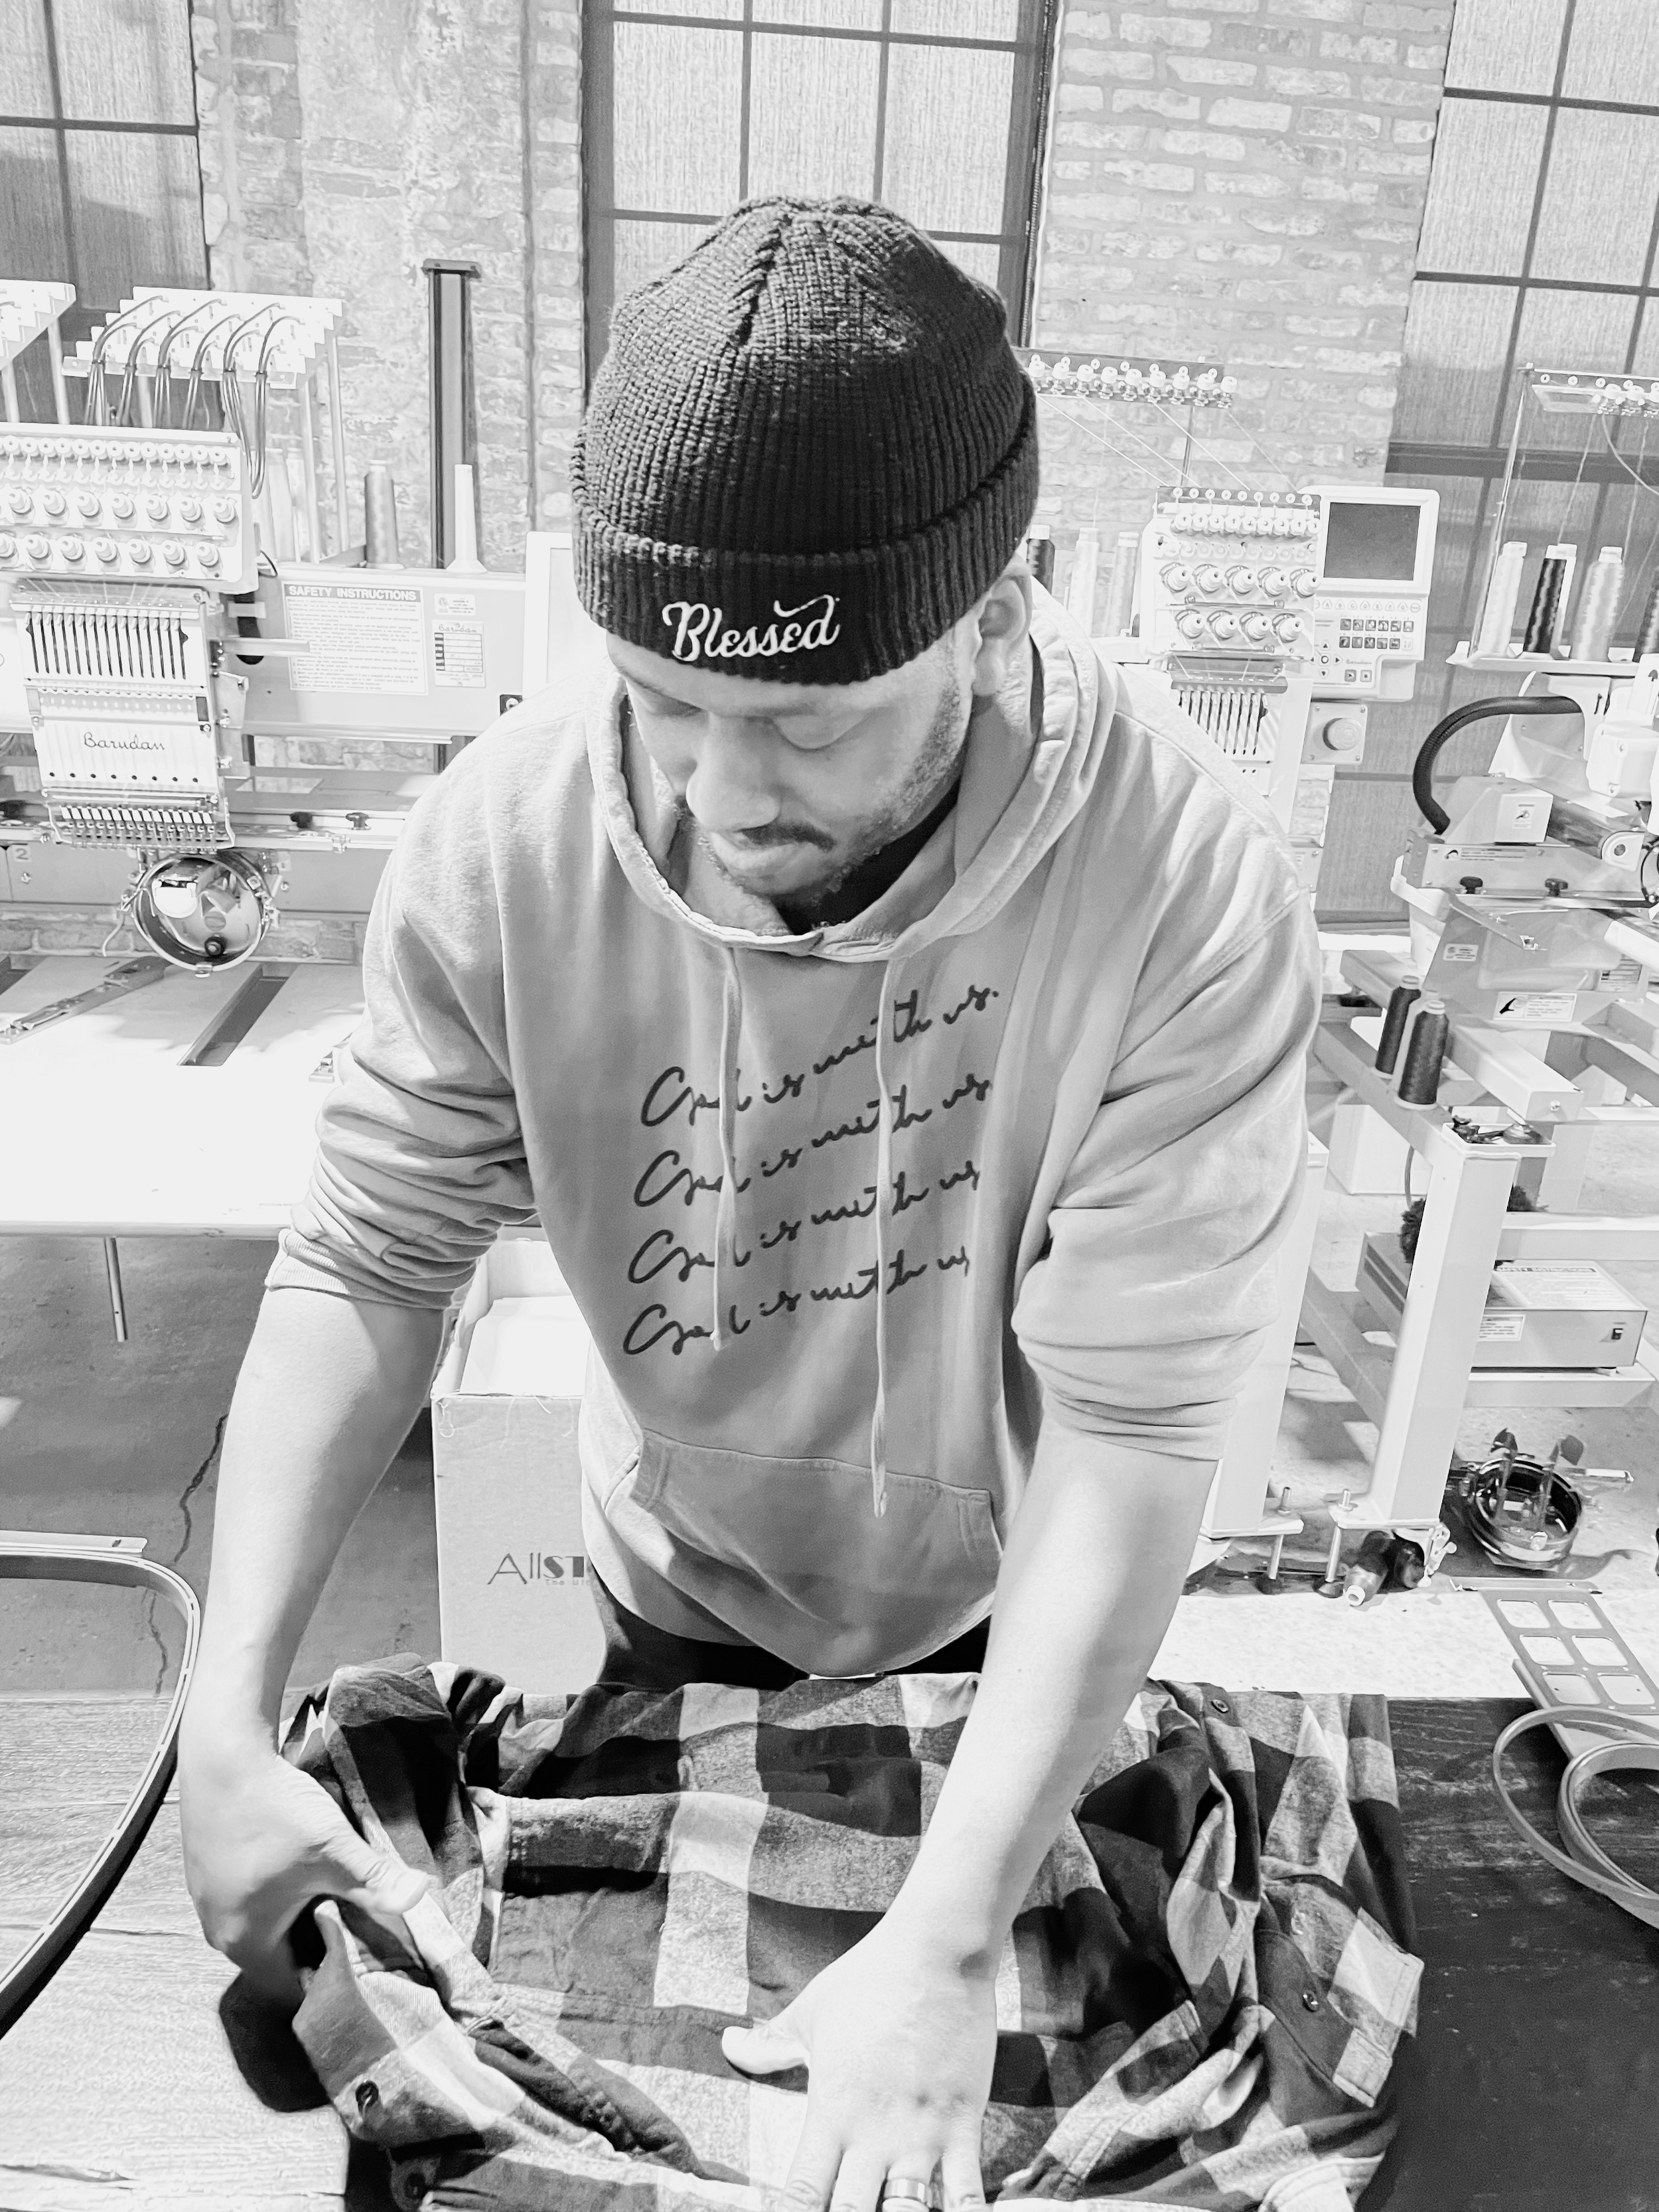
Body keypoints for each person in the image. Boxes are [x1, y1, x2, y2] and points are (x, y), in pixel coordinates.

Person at [179, 196, 1320, 2212]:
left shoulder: (1179, 889)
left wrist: (957, 1932)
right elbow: (369, 1253)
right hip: (673, 1583)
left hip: (1007, 1606)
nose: (722, 785)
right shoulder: (510, 837)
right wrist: (220, 1715)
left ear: (989, 608)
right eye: (664, 698)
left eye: (809, 720)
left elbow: (1138, 1430)